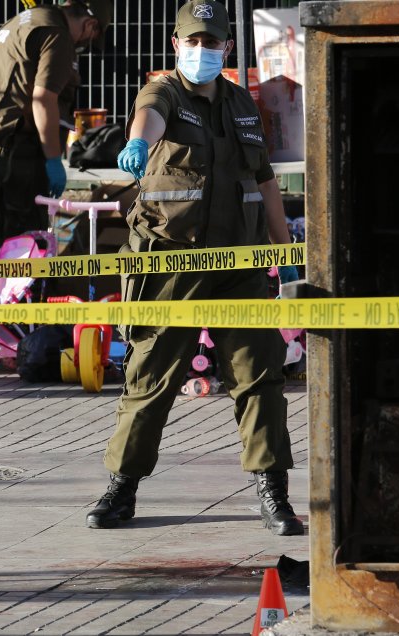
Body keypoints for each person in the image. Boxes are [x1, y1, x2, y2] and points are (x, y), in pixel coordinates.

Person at [87, 0, 303, 537]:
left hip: (241, 266)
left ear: (227, 47)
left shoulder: (242, 105)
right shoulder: (164, 92)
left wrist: (288, 259)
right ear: (176, 45)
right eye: (193, 42)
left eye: (212, 43)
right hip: (171, 266)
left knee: (260, 377)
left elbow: (266, 182)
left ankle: (273, 491)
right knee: (151, 378)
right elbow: (148, 116)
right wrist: (138, 142)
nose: (202, 51)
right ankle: (122, 487)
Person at [0, 0, 112, 260]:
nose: (87, 42)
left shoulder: (26, 20)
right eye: (93, 35)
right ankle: (6, 299)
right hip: (14, 149)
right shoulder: (58, 35)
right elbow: (43, 100)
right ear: (90, 23)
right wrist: (54, 159)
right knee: (20, 242)